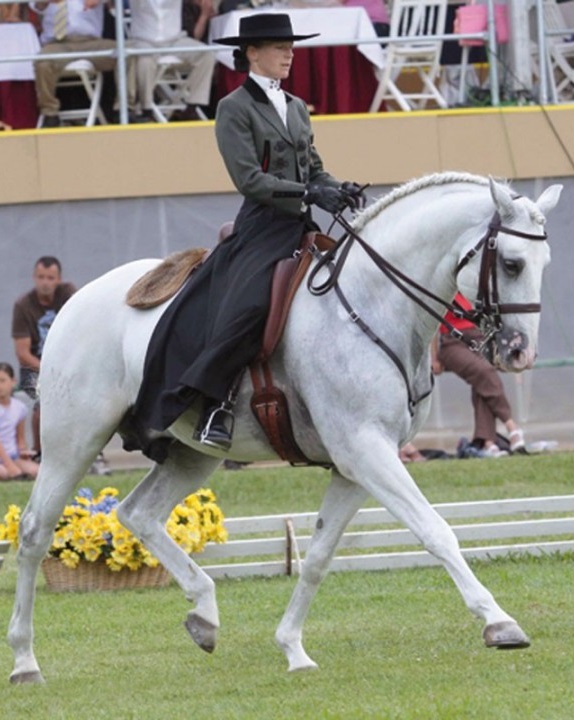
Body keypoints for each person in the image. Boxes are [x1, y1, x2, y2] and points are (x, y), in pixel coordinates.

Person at [131, 13, 366, 457]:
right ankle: (215, 405)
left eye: (290, 47)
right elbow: (249, 181)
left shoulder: (296, 106)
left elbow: (313, 166)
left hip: (299, 225)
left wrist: (338, 188)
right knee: (250, 307)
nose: (289, 54)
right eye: (279, 47)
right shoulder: (233, 108)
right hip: (260, 227)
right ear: (252, 53)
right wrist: (309, 191)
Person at [431, 292, 526, 458]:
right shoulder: (442, 287)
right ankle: (511, 426)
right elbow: (431, 325)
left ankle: (487, 443)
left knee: (482, 383)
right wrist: (434, 358)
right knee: (484, 372)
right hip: (451, 342)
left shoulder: (472, 288)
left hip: (478, 337)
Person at [11, 256, 76, 456]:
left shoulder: (69, 296)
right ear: (34, 277)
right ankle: (40, 454)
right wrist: (50, 371)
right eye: (41, 277)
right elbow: (22, 353)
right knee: (43, 404)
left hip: (70, 364)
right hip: (35, 368)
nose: (45, 282)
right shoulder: (23, 306)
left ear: (58, 279)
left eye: (50, 277)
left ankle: (91, 454)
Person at [30, 0, 124, 128]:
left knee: (127, 54)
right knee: (43, 63)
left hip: (91, 42)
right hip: (56, 44)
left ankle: (123, 109)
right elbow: (36, 5)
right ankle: (50, 113)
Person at [128, 0, 216, 122]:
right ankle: (146, 110)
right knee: (144, 60)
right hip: (144, 41)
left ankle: (192, 108)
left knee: (207, 54)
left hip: (174, 40)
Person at [0, 362, 39, 480]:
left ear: (13, 382)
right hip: (4, 458)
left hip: (13, 456)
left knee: (37, 471)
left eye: (2, 381)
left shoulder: (19, 408)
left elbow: (20, 439)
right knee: (4, 473)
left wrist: (23, 452)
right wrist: (9, 465)